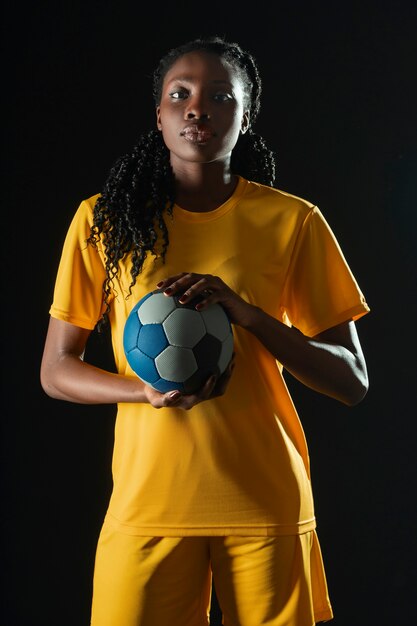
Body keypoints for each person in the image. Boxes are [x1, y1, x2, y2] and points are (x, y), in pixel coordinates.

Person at [40, 35, 370, 626]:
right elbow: (56, 370)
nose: (198, 108)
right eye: (180, 94)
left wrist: (250, 315)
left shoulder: (292, 220)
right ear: (159, 114)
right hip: (149, 503)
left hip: (264, 500)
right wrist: (141, 392)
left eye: (220, 96)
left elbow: (352, 382)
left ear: (245, 118)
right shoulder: (103, 221)